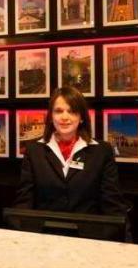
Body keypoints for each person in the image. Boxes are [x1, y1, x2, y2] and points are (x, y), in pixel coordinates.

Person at [14, 86, 128, 216]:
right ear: (51, 117)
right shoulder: (33, 151)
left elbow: (113, 205)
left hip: (87, 228)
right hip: (46, 228)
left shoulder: (102, 152)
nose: (65, 117)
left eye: (72, 111)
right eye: (58, 111)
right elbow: (24, 201)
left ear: (82, 117)